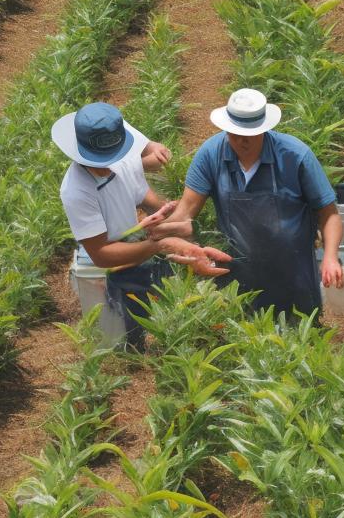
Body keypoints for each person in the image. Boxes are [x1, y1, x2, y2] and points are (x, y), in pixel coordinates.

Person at [54, 102, 231, 348]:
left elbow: (142, 194)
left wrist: (170, 218)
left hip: (136, 245)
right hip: (102, 266)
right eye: (99, 159)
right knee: (121, 346)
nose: (109, 163)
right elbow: (102, 254)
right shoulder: (76, 190)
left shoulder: (118, 150)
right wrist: (159, 243)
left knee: (177, 307)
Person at [171, 89, 344, 320]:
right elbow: (184, 215)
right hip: (236, 274)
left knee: (298, 342)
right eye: (234, 134)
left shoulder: (295, 155)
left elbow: (329, 213)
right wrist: (186, 249)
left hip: (293, 273)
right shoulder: (211, 155)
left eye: (250, 135)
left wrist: (331, 257)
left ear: (264, 128)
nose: (242, 141)